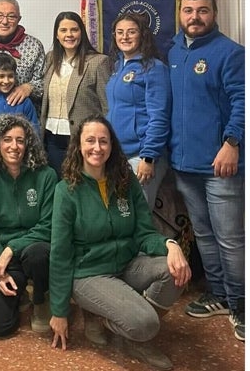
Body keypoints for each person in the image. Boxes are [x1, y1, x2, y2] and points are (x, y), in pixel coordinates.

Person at [49, 115, 191, 370]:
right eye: (90, 140)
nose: (97, 147)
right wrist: (59, 311)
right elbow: (60, 253)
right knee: (145, 322)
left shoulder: (126, 182)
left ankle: (136, 336)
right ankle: (112, 317)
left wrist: (171, 244)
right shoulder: (66, 191)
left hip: (126, 263)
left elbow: (144, 233)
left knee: (176, 269)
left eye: (104, 141)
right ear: (78, 146)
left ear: (112, 146)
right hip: (88, 273)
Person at [168, 0, 244, 341]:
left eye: (202, 10)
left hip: (220, 166)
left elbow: (244, 101)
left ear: (213, 13)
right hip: (184, 164)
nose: (194, 17)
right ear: (180, 14)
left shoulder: (230, 53)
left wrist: (232, 143)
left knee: (230, 239)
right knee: (204, 235)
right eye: (188, 11)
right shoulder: (172, 52)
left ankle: (242, 305)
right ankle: (219, 295)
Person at [0, 113, 56, 337]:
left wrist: (11, 248)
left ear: (28, 144)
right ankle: (20, 290)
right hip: (5, 258)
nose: (14, 146)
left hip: (36, 252)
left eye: (20, 140)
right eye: (7, 139)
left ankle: (41, 296)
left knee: (39, 253)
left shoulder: (46, 176)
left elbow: (48, 225)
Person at [106, 12, 171, 206]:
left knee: (139, 219)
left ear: (142, 35)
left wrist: (148, 156)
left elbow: (159, 116)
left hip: (141, 155)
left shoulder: (153, 68)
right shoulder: (118, 67)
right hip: (118, 154)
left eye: (131, 32)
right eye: (120, 32)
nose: (124, 37)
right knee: (122, 216)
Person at [40, 11, 109, 177]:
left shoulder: (98, 62)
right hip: (52, 139)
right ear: (57, 35)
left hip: (84, 139)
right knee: (59, 187)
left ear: (81, 33)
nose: (69, 35)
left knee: (83, 187)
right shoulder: (50, 59)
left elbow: (108, 107)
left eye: (74, 30)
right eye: (63, 30)